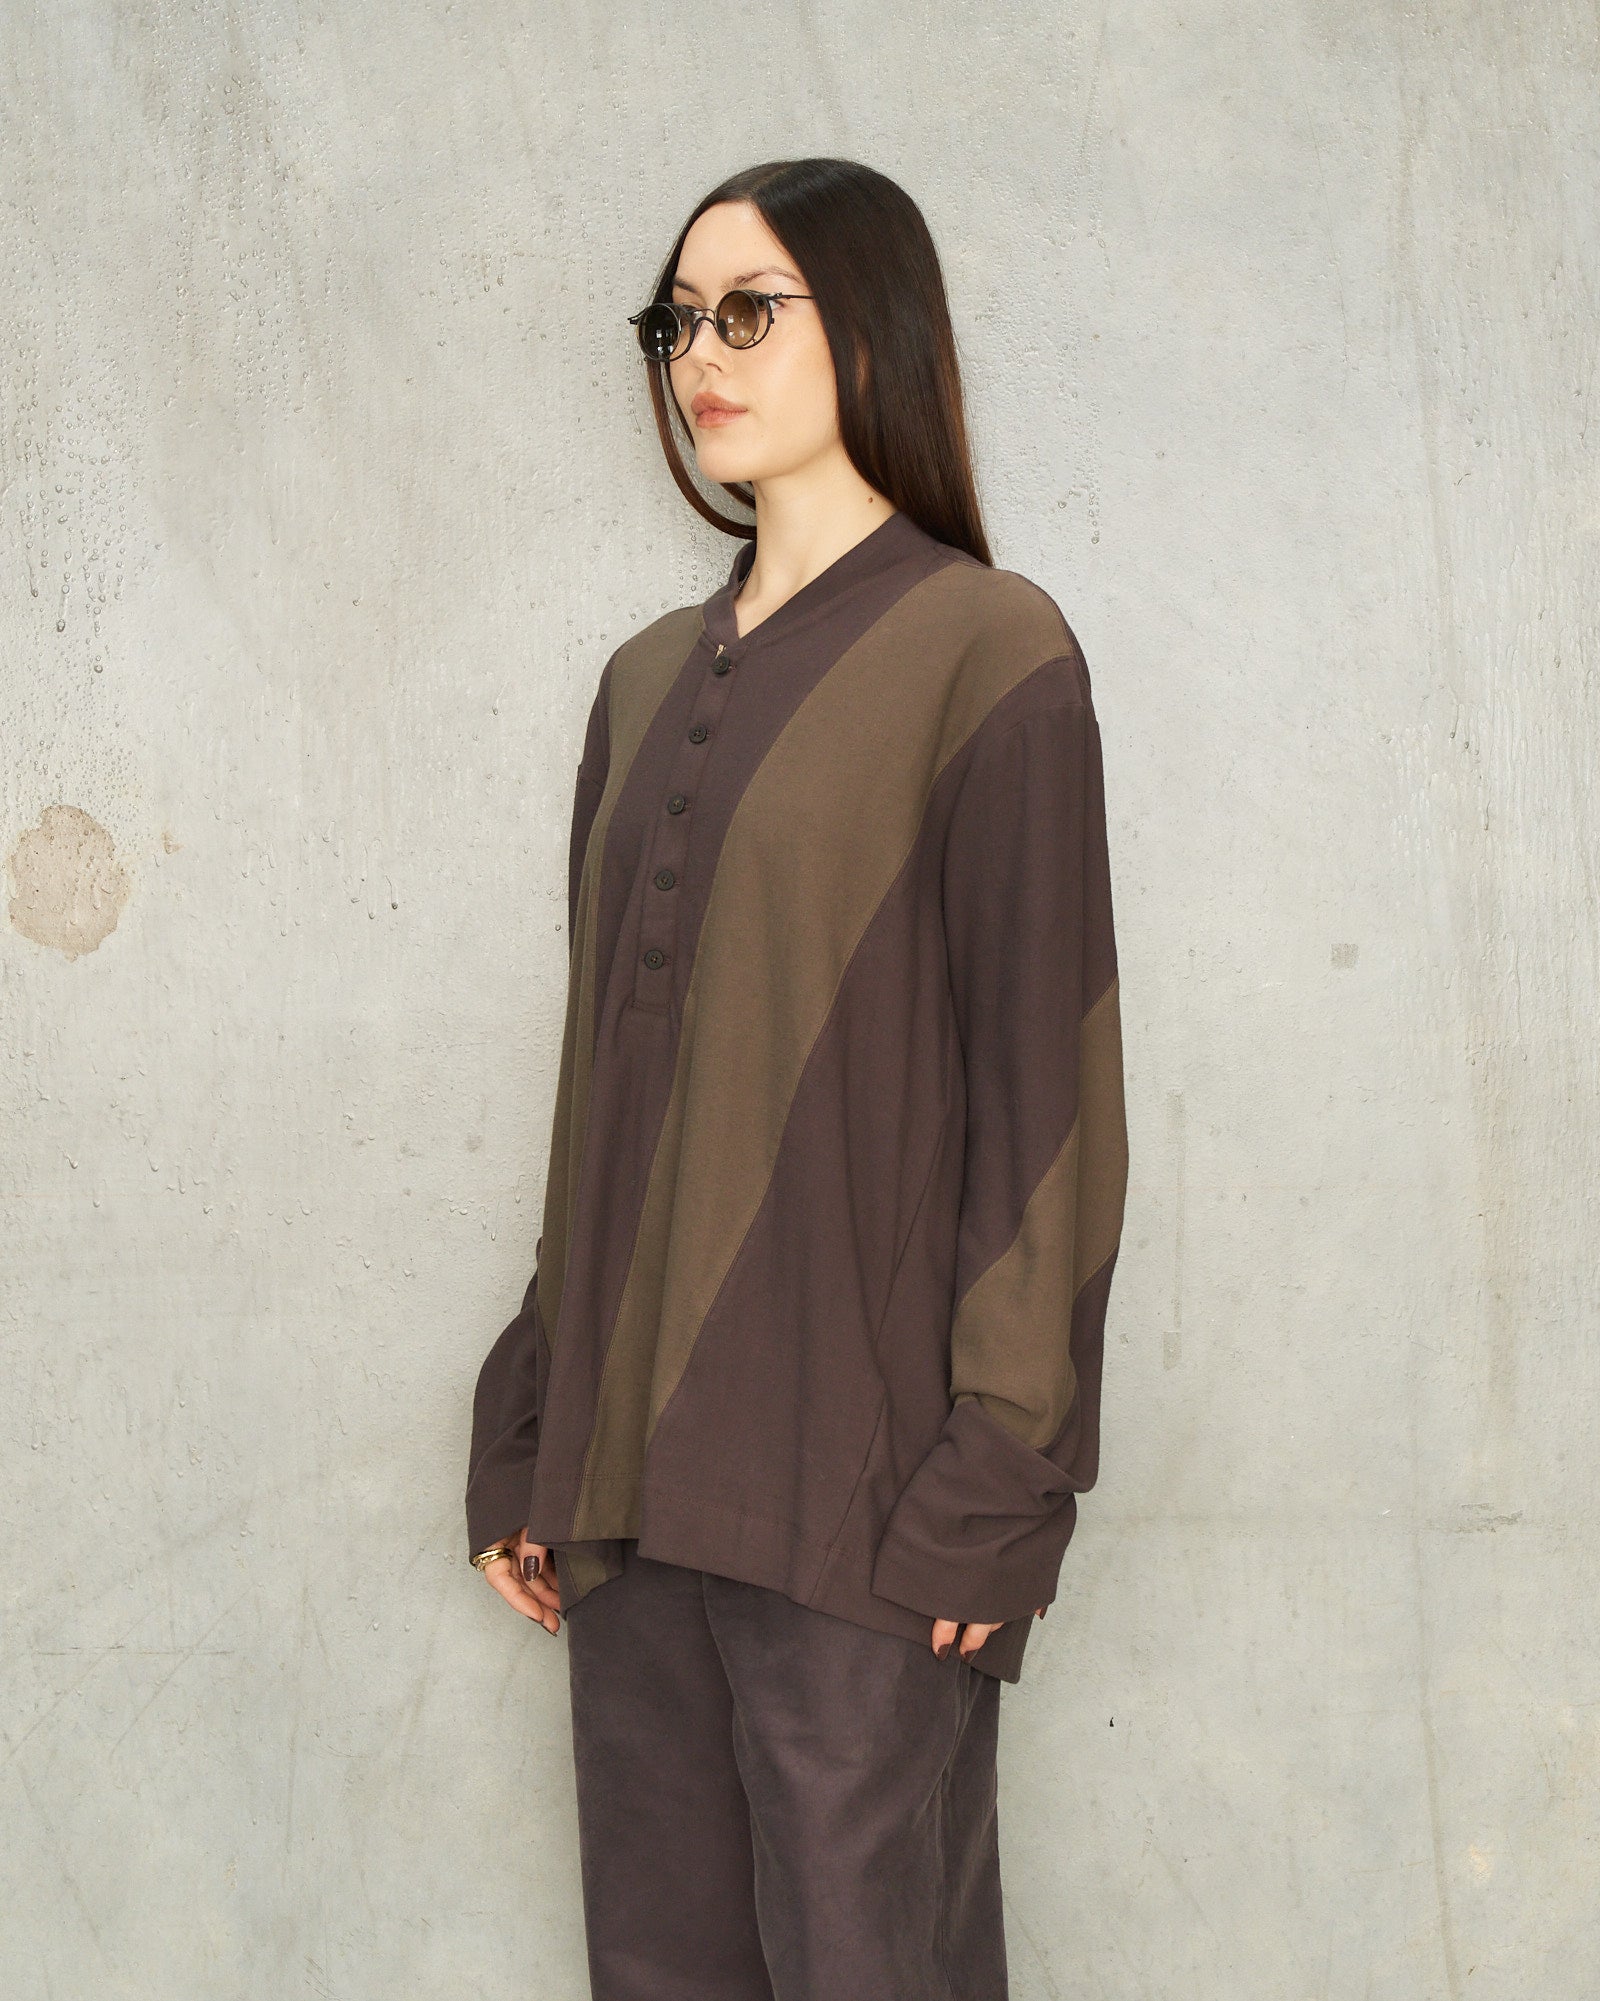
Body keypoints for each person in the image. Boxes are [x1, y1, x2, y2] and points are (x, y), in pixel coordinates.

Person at [464, 156, 1129, 2001]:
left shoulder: (990, 652)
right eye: (677, 319)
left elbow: (1050, 1097)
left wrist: (1000, 1479)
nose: (700, 355)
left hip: (863, 1497)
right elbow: (604, 1089)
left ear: (876, 330)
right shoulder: (636, 686)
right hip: (624, 1492)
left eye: (749, 311)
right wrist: (534, 1421)